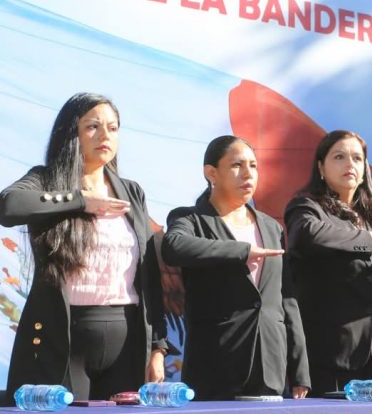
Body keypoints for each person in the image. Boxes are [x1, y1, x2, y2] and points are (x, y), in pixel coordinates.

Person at [0, 93, 171, 402]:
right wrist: (80, 201)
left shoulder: (132, 191)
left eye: (113, 128)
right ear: (71, 133)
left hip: (126, 337)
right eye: (93, 126)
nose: (105, 135)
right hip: (62, 335)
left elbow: (149, 278)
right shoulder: (45, 179)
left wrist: (157, 348)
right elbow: (9, 206)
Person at [162, 135, 310, 400]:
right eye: (237, 165)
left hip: (270, 364)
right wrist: (242, 251)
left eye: (253, 166)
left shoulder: (271, 227)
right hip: (217, 364)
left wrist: (300, 370)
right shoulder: (190, 218)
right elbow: (174, 246)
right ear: (211, 173)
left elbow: (287, 301)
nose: (248, 174)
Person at [284, 130, 372, 394]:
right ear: (321, 166)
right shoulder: (307, 206)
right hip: (331, 352)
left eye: (357, 158)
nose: (349, 164)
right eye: (339, 157)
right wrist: (367, 239)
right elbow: (305, 236)